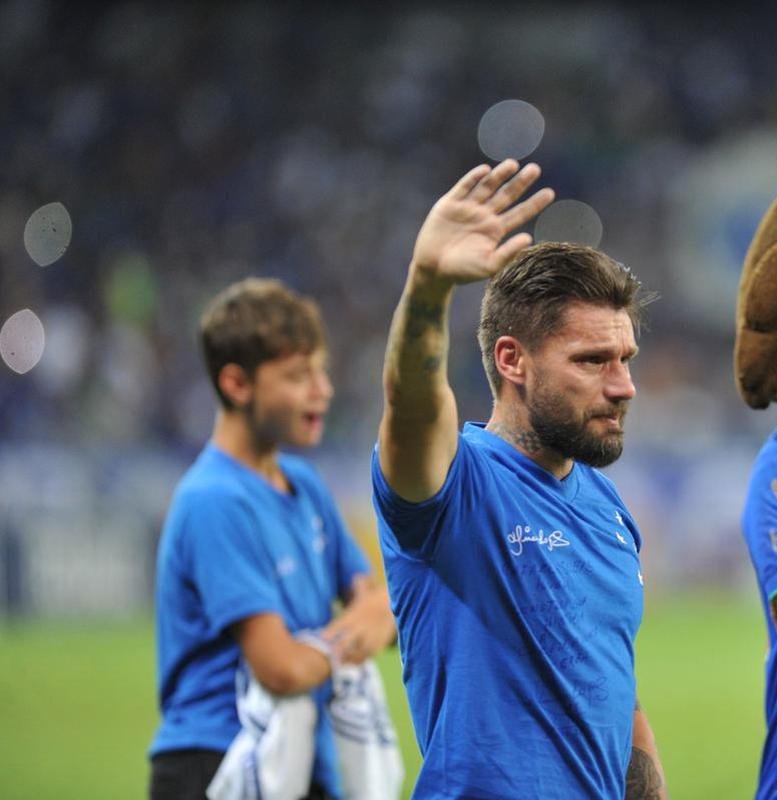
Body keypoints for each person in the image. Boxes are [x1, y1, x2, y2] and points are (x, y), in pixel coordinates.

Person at [371, 159, 668, 798]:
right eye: (592, 361)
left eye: (626, 359)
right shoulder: (456, 487)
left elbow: (613, 683)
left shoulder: (607, 507)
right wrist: (428, 285)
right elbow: (413, 403)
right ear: (512, 360)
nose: (624, 386)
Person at [149, 278, 397, 800]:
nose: (323, 390)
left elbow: (378, 603)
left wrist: (363, 621)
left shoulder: (303, 484)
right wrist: (360, 629)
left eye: (321, 371)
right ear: (237, 384)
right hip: (217, 762)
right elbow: (280, 668)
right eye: (298, 375)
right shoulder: (214, 500)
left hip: (300, 760)